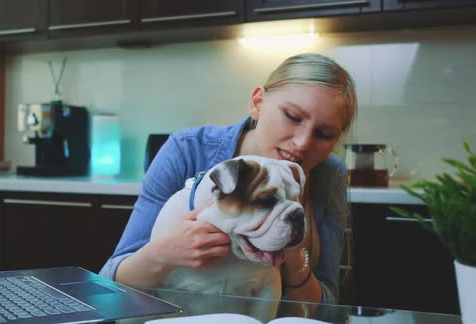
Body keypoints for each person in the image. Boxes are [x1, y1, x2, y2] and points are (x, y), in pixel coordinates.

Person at [99, 53, 356, 305]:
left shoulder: (328, 173)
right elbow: (108, 283)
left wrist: (296, 259)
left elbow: (327, 309)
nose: (302, 143)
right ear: (257, 102)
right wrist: (162, 254)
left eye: (324, 134)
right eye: (292, 116)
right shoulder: (188, 150)